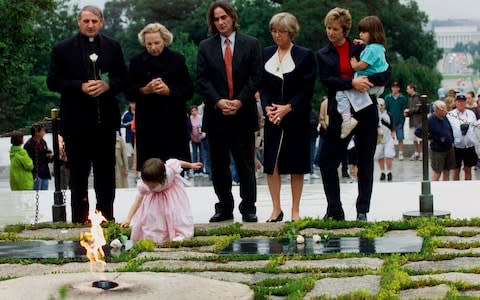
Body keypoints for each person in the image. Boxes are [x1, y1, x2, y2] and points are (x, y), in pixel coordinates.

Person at [47, 5, 127, 222]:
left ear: (101, 22)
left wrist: (108, 85)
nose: (90, 25)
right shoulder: (62, 49)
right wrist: (79, 86)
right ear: (78, 22)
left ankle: (106, 219)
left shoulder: (113, 46)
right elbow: (53, 81)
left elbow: (123, 78)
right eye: (86, 21)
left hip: (105, 123)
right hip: (76, 125)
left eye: (94, 21)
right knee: (79, 177)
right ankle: (80, 221)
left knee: (105, 177)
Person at [316, 7, 390, 221]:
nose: (331, 33)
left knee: (365, 160)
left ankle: (362, 210)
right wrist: (351, 83)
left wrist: (367, 83)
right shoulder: (322, 54)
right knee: (326, 161)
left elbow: (385, 71)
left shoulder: (361, 47)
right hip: (339, 113)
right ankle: (334, 209)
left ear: (345, 30)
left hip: (366, 109)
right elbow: (326, 80)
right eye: (328, 28)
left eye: (336, 29)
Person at [197, 0, 262, 223]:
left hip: (243, 113)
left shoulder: (251, 43)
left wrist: (240, 101)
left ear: (232, 18)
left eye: (224, 17)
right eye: (216, 19)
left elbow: (256, 76)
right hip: (217, 115)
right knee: (219, 165)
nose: (220, 22)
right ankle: (224, 206)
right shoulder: (205, 46)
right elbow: (202, 79)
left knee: (245, 164)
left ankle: (248, 207)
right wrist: (218, 101)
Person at [259, 12, 316, 222]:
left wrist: (288, 107)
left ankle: (295, 210)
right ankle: (276, 209)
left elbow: (306, 89)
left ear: (291, 32)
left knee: (295, 165)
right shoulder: (265, 54)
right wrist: (268, 108)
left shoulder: (305, 55)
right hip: (273, 117)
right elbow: (262, 86)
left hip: (296, 118)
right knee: (272, 164)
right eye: (273, 31)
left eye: (281, 31)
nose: (276, 35)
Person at [127, 22, 193, 171]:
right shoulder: (136, 61)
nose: (153, 47)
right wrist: (144, 90)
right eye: (148, 44)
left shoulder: (177, 59)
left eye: (157, 43)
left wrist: (168, 91)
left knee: (174, 170)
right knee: (150, 171)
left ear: (165, 40)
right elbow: (128, 91)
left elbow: (189, 90)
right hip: (148, 124)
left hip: (173, 123)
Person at [121, 158, 202, 244]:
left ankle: (178, 233)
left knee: (175, 215)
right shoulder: (144, 186)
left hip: (172, 197)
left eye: (153, 185)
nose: (149, 187)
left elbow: (179, 163)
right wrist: (128, 218)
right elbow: (137, 201)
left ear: (162, 178)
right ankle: (156, 237)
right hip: (155, 201)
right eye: (147, 184)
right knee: (153, 218)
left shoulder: (170, 171)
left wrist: (191, 165)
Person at [335, 15, 389, 139]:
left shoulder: (371, 49)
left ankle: (347, 119)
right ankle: (378, 125)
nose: (360, 34)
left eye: (364, 32)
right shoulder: (378, 47)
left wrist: (354, 64)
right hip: (377, 85)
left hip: (368, 82)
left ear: (373, 33)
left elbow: (363, 65)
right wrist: (364, 44)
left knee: (341, 93)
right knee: (373, 103)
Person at [415, 100, 455, 181]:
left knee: (447, 171)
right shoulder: (430, 120)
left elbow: (449, 129)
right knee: (437, 172)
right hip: (438, 150)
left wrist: (452, 139)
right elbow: (418, 131)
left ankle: (446, 188)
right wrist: (430, 137)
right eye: (443, 109)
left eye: (445, 108)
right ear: (437, 110)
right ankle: (433, 189)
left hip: (448, 148)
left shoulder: (445, 118)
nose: (445, 111)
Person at [447, 94, 478, 180]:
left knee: (468, 169)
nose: (461, 103)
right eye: (459, 102)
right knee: (456, 170)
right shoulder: (450, 115)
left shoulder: (471, 113)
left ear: (465, 103)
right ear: (455, 103)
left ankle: (468, 188)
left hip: (469, 146)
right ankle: (456, 188)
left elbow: (475, 128)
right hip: (457, 146)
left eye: (462, 102)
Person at [24, 123, 52, 190]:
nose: (44, 132)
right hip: (36, 173)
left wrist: (49, 156)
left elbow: (46, 152)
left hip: (45, 173)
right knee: (36, 194)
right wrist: (44, 155)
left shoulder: (43, 142)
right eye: (43, 130)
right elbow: (30, 160)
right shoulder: (29, 145)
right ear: (37, 132)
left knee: (45, 194)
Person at [384, 81, 408, 160]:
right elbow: (385, 110)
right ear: (391, 88)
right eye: (393, 87)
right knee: (390, 139)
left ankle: (400, 153)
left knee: (400, 138)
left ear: (399, 88)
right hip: (390, 122)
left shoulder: (402, 98)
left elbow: (404, 110)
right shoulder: (388, 98)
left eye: (396, 87)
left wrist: (402, 121)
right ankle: (391, 153)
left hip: (399, 121)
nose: (395, 88)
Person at [374, 98, 395, 181]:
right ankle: (382, 172)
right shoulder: (375, 115)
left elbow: (392, 124)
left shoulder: (388, 114)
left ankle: (389, 172)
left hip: (388, 137)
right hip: (379, 139)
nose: (380, 107)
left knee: (388, 155)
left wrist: (393, 133)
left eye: (382, 105)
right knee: (379, 155)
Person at [405, 84, 423, 161]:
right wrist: (407, 113)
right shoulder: (410, 98)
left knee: (420, 139)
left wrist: (410, 111)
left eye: (408, 89)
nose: (407, 90)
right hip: (412, 121)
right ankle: (416, 153)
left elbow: (419, 108)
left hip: (418, 121)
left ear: (412, 89)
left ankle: (421, 153)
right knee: (414, 138)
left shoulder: (418, 97)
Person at [188, 105, 205, 175]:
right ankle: (195, 170)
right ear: (190, 112)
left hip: (201, 139)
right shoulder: (190, 118)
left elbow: (203, 127)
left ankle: (201, 170)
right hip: (193, 139)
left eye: (195, 110)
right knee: (194, 155)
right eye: (192, 111)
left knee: (202, 155)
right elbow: (189, 129)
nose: (194, 112)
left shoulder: (200, 118)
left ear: (197, 111)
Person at [121, 101, 136, 168]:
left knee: (134, 152)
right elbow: (121, 123)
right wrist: (130, 123)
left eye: (135, 103)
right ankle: (129, 166)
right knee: (130, 152)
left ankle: (133, 166)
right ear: (129, 104)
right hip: (128, 135)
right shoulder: (126, 113)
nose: (134, 105)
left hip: (135, 136)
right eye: (132, 103)